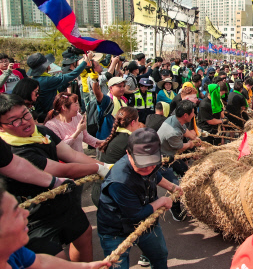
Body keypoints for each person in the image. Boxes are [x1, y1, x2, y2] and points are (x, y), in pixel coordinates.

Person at [0, 94, 110, 261]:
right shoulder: (12, 150)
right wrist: (97, 168)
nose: (24, 121)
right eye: (14, 120)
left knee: (83, 234)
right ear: (1, 127)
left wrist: (105, 167)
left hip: (62, 199)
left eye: (25, 114)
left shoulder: (43, 131)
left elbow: (71, 154)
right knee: (55, 258)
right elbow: (61, 170)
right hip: (35, 214)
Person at [97, 128, 182, 269]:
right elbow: (135, 215)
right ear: (128, 154)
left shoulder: (151, 164)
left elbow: (155, 174)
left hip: (147, 223)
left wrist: (171, 187)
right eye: (142, 165)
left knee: (160, 255)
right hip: (116, 230)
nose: (148, 168)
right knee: (118, 265)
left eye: (152, 162)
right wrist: (161, 201)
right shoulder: (120, 181)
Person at [0, 181, 111, 269]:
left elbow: (40, 262)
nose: (26, 212)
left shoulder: (14, 252)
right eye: (15, 212)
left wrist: (85, 266)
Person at [157, 101, 201, 221]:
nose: (194, 115)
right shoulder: (172, 133)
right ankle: (175, 209)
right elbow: (181, 147)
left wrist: (194, 138)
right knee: (174, 184)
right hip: (162, 159)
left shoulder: (175, 119)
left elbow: (184, 130)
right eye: (193, 113)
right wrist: (191, 144)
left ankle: (188, 200)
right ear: (186, 115)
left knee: (186, 172)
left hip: (171, 155)